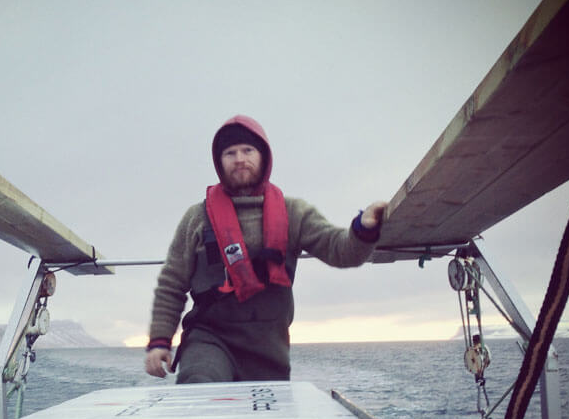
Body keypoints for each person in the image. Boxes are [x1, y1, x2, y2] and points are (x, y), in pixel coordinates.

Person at [144, 115, 387, 383]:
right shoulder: (197, 218)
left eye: (248, 150)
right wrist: (159, 341)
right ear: (219, 162)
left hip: (268, 347)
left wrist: (364, 229)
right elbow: (172, 282)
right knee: (200, 387)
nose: (239, 158)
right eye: (230, 153)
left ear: (264, 157)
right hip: (209, 339)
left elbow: (340, 250)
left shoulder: (295, 213)